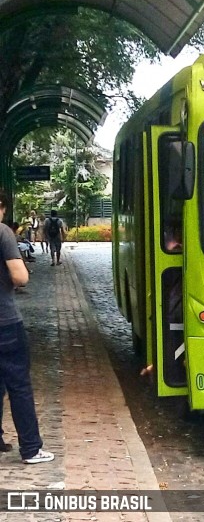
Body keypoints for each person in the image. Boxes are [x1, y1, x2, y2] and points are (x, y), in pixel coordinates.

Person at [0, 190, 54, 463]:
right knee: (19, 384)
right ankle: (31, 448)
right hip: (5, 323)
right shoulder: (2, 233)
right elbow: (20, 277)